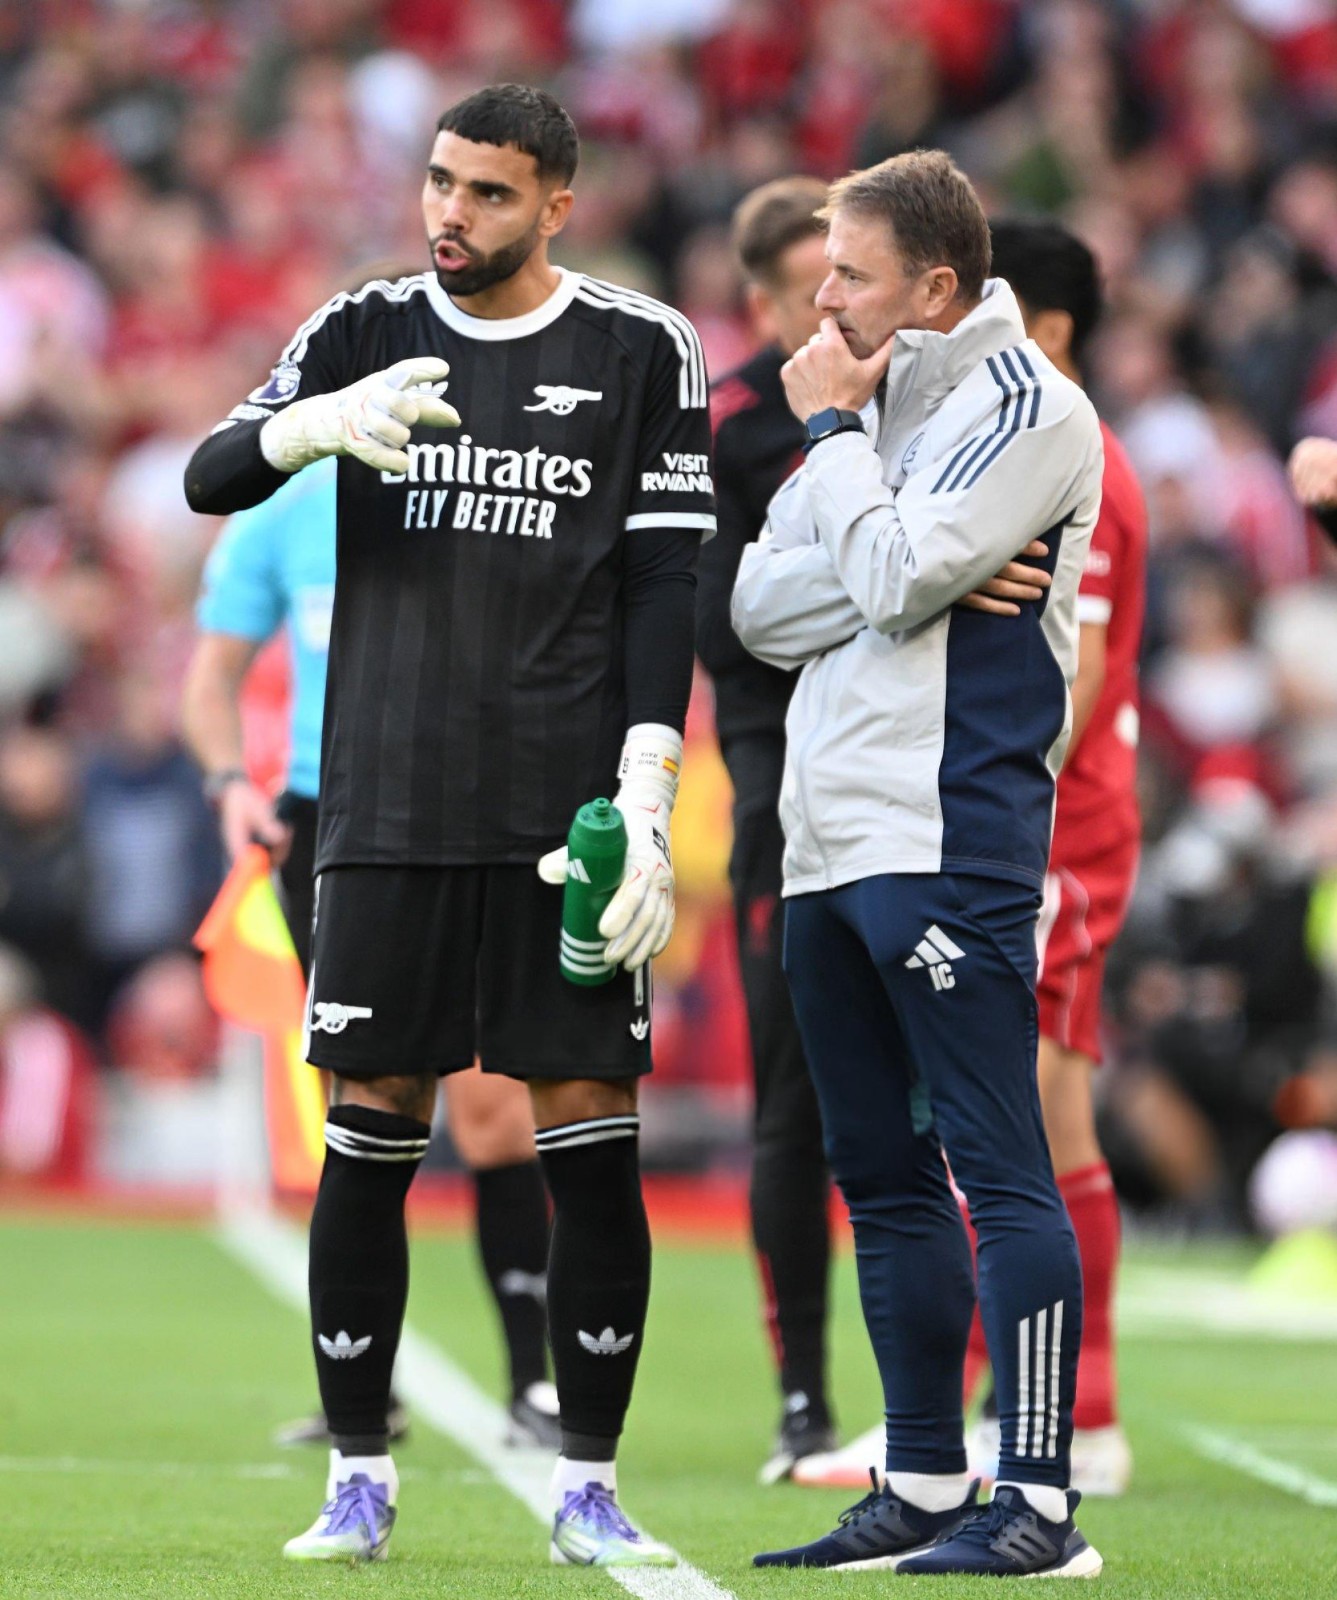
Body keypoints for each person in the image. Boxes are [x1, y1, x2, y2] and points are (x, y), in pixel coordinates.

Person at [183, 83, 711, 1568]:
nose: (449, 215)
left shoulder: (640, 349)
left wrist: (652, 784)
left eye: (487, 193)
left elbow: (664, 585)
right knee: (373, 1129)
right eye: (438, 183)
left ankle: (589, 1481)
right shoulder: (358, 328)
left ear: (558, 202)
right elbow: (205, 473)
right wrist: (309, 429)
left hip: (567, 816)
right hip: (387, 805)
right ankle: (359, 1472)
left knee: (583, 1141)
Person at [733, 151, 1106, 1578]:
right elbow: (768, 610)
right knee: (877, 1172)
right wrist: (899, 552)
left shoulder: (1030, 409)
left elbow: (885, 578)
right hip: (827, 838)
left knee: (997, 1167)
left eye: (849, 274)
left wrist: (850, 487)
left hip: (948, 836)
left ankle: (1045, 1505)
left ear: (934, 288)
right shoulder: (876, 404)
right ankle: (930, 1480)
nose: (820, 300)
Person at [181, 447, 560, 1453]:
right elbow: (209, 678)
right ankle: (365, 1392)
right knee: (357, 1107)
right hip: (332, 822)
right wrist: (230, 784)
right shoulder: (279, 512)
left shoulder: (487, 485)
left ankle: (532, 1381)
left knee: (487, 1104)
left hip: (470, 803)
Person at [696, 175, 839, 1484]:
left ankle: (977, 1396)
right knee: (793, 1107)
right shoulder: (731, 423)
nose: (836, 307)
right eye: (812, 287)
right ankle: (804, 1398)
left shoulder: (919, 403)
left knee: (945, 1106)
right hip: (780, 802)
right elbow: (724, 620)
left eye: (848, 279)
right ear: (762, 299)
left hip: (916, 789)